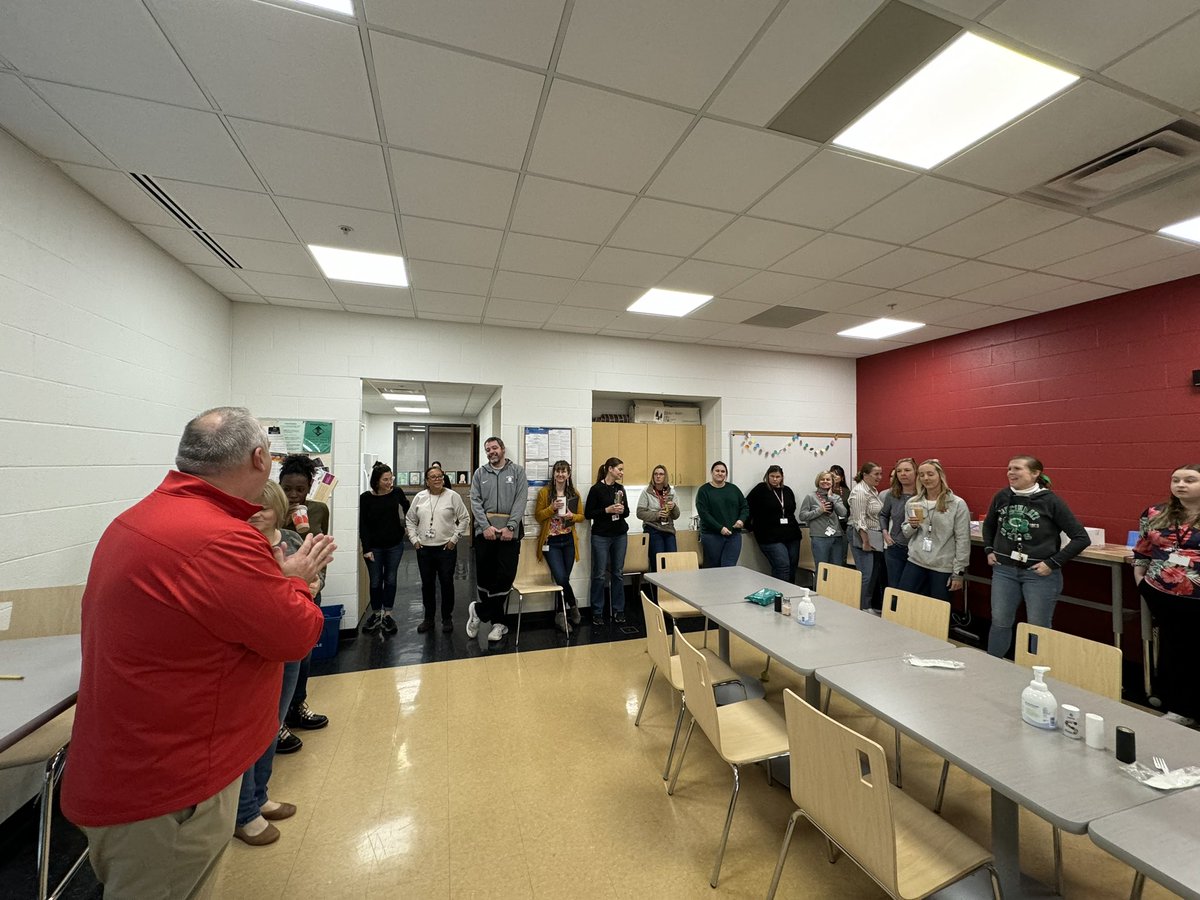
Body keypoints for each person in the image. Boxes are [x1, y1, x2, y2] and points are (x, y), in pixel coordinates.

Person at [61, 407, 332, 899]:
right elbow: (298, 635)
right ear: (259, 458)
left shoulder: (141, 517)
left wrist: (280, 581)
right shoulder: (220, 540)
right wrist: (298, 586)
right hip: (171, 789)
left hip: (131, 767)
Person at [236, 482, 323, 846]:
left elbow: (313, 582)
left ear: (279, 509)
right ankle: (243, 814)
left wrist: (304, 583)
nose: (255, 511)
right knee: (250, 728)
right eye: (247, 504)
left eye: (263, 506)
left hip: (289, 642)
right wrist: (291, 582)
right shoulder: (238, 544)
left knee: (272, 722)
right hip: (255, 647)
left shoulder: (289, 539)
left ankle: (260, 797)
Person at [984, 455, 1091, 658]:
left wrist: (1053, 563)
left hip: (1039, 575)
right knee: (999, 620)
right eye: (1008, 469)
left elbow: (1081, 538)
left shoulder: (1051, 501)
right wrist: (989, 550)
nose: (1010, 473)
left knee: (1038, 626)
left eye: (1017, 469)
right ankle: (993, 663)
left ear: (1035, 474)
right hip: (1004, 571)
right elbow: (989, 525)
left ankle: (1036, 671)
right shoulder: (1001, 496)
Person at [1133, 464, 1200, 726]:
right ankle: (1179, 708)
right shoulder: (1155, 512)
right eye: (1176, 480)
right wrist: (1140, 581)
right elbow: (1143, 548)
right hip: (1161, 592)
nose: (1181, 485)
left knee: (1196, 650)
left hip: (1197, 596)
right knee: (1174, 649)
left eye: (1190, 480)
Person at [277, 455, 331, 748]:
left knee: (305, 651)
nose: (294, 495)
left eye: (300, 489)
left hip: (311, 589)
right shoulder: (270, 510)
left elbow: (321, 548)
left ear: (310, 486)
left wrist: (319, 580)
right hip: (281, 591)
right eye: (288, 489)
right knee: (283, 657)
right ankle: (278, 720)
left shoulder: (319, 510)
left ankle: (298, 706)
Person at [468, 436, 528, 642]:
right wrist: (485, 526)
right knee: (485, 579)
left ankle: (479, 610)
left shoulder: (518, 472)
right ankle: (498, 623)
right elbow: (474, 501)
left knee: (505, 576)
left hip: (509, 535)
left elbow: (521, 500)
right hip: (485, 534)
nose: (491, 452)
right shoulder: (479, 473)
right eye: (488, 449)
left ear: (503, 449)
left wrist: (511, 526)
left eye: (495, 448)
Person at [405, 465, 470, 634]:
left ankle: (447, 618)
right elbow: (410, 520)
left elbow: (464, 518)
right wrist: (414, 539)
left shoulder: (452, 496)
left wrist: (454, 539)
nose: (437, 479)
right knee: (427, 585)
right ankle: (428, 619)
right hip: (424, 549)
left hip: (445, 550)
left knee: (446, 583)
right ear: (427, 481)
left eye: (440, 476)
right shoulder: (419, 497)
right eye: (433, 477)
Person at [898, 459, 971, 603]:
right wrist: (912, 526)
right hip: (916, 561)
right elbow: (906, 533)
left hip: (942, 566)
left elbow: (963, 540)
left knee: (937, 611)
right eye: (922, 475)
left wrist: (958, 572)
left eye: (930, 474)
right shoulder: (913, 502)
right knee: (902, 602)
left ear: (940, 476)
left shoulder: (957, 504)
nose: (926, 478)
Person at [359, 461, 411, 636]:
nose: (390, 482)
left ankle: (388, 614)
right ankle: (376, 614)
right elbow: (363, 526)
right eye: (386, 479)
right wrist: (366, 548)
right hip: (373, 547)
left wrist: (406, 526)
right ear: (376, 481)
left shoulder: (396, 492)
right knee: (375, 580)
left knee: (390, 579)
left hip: (394, 545)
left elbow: (408, 508)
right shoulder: (366, 498)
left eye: (391, 478)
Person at [534, 460, 585, 631]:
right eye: (558, 471)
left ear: (569, 474)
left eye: (564, 472)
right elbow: (538, 516)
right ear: (554, 474)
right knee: (562, 578)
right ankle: (572, 606)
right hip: (552, 542)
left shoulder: (574, 493)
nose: (560, 474)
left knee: (563, 580)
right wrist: (551, 508)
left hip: (569, 541)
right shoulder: (545, 493)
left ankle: (560, 615)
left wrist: (571, 516)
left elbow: (581, 516)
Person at [585, 457, 631, 624]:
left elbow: (627, 513)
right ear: (610, 469)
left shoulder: (620, 489)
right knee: (599, 574)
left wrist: (622, 509)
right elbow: (588, 514)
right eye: (620, 469)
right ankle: (597, 611)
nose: (622, 472)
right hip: (601, 536)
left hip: (619, 535)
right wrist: (607, 510)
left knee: (618, 573)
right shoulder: (596, 489)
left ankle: (618, 610)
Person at [746, 465, 802, 584]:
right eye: (772, 476)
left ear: (782, 477)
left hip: (791, 534)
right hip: (769, 536)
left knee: (792, 566)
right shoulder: (760, 489)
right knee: (782, 566)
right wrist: (748, 526)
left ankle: (790, 594)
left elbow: (792, 509)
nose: (775, 479)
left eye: (778, 477)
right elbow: (746, 507)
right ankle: (779, 596)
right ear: (767, 476)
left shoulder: (787, 490)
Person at [636, 464, 681, 597]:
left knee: (672, 564)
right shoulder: (647, 491)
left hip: (668, 529)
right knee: (658, 564)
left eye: (661, 474)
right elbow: (640, 513)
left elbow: (677, 515)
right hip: (653, 528)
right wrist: (657, 515)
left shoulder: (672, 492)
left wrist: (673, 508)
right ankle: (658, 598)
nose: (658, 476)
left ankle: (671, 597)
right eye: (656, 474)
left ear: (665, 476)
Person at [696, 461, 748, 568]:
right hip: (712, 536)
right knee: (714, 568)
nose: (720, 473)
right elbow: (704, 514)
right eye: (717, 471)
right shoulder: (704, 491)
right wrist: (720, 528)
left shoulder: (733, 489)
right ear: (712, 472)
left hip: (733, 536)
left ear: (726, 474)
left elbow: (744, 507)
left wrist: (741, 520)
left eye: (723, 471)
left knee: (729, 568)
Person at [847, 461, 885, 611]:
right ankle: (861, 607)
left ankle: (867, 605)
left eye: (880, 473)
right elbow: (859, 520)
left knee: (874, 573)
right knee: (866, 575)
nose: (879, 477)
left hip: (874, 534)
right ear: (865, 475)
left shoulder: (872, 490)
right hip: (862, 535)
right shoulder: (859, 492)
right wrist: (866, 541)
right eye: (876, 474)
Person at [798, 470, 847, 572]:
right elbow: (802, 516)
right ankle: (819, 588)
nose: (825, 481)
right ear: (818, 481)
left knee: (836, 569)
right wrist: (819, 511)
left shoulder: (836, 497)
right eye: (822, 479)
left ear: (832, 482)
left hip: (836, 536)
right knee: (822, 570)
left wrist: (831, 498)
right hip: (819, 537)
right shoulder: (811, 497)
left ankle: (834, 588)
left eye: (828, 479)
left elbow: (843, 513)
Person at [880, 458, 916, 588]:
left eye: (907, 470)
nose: (903, 474)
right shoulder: (892, 494)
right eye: (899, 471)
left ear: (915, 472)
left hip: (915, 549)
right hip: (895, 547)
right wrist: (885, 533)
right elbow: (883, 515)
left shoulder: (922, 495)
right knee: (894, 586)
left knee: (910, 587)